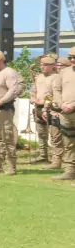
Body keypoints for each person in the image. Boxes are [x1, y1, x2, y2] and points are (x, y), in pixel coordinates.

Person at [30, 55, 58, 165]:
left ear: (52, 66)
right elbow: (34, 90)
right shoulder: (39, 77)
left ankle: (56, 157)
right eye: (41, 65)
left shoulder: (56, 77)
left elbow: (56, 94)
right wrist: (32, 97)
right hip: (38, 108)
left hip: (51, 108)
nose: (42, 67)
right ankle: (43, 155)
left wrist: (42, 102)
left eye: (45, 65)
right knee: (41, 132)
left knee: (53, 133)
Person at [52, 48, 75, 181]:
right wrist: (61, 104)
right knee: (68, 142)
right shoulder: (64, 72)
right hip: (65, 113)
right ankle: (70, 171)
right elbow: (56, 89)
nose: (72, 60)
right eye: (70, 57)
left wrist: (73, 105)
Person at [45, 56, 67, 171]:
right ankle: (56, 162)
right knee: (55, 138)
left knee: (69, 139)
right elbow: (49, 96)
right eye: (57, 66)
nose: (59, 68)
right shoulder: (54, 79)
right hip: (54, 111)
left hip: (68, 112)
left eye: (61, 66)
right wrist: (45, 108)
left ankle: (69, 163)